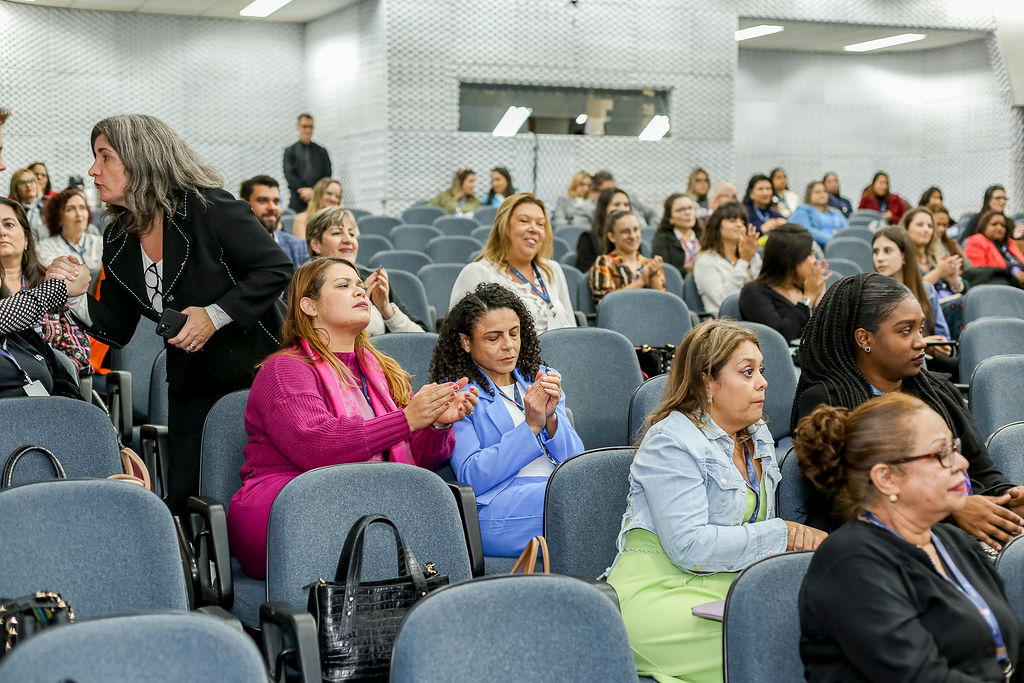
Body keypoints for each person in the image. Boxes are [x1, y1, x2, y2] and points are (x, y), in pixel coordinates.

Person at [68, 114, 293, 513]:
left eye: (105, 157)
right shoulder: (117, 237)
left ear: (140, 159)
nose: (93, 170)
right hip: (189, 381)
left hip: (256, 371)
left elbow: (275, 268)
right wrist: (74, 298)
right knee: (189, 496)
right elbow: (117, 327)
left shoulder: (210, 207)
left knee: (263, 489)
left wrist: (215, 315)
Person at [605, 320, 826, 683]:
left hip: (730, 585)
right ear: (707, 381)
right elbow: (689, 547)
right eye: (747, 372)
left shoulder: (757, 434)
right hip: (659, 593)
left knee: (818, 625)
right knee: (778, 644)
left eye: (762, 371)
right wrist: (783, 534)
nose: (762, 382)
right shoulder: (671, 441)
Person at [228, 257, 477, 578]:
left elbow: (417, 460)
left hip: (362, 495)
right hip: (291, 502)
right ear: (309, 306)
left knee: (425, 501)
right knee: (388, 519)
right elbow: (315, 446)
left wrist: (437, 423)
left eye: (360, 285)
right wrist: (406, 420)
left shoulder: (381, 369)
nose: (360, 291)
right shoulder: (285, 369)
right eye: (344, 285)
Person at [796, 393, 1022, 681]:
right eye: (941, 453)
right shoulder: (849, 563)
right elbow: (921, 677)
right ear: (887, 478)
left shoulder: (952, 540)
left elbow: (1013, 646)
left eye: (955, 448)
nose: (963, 463)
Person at [791, 273, 1024, 548]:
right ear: (864, 338)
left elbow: (982, 471)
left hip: (966, 538)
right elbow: (847, 502)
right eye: (905, 331)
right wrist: (952, 509)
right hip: (885, 548)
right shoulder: (828, 401)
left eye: (920, 329)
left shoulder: (937, 391)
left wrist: (1007, 498)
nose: (920, 342)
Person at [430, 282, 584, 556]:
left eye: (514, 333)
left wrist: (551, 420)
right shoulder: (458, 396)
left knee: (597, 490)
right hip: (499, 510)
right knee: (587, 503)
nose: (509, 345)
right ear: (466, 342)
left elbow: (576, 463)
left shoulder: (540, 378)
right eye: (493, 338)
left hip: (557, 491)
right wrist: (531, 427)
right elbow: (472, 476)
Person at [450, 193, 575, 334]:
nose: (534, 229)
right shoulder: (477, 273)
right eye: (524, 221)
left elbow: (572, 328)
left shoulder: (552, 270)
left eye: (540, 224)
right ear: (504, 226)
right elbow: (455, 337)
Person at [1, 197, 92, 373]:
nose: (1, 232)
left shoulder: (51, 280)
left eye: (9, 224)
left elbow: (80, 349)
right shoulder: (54, 289)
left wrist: (51, 372)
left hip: (54, 382)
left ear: (27, 239)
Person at [305, 206, 425, 335]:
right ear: (316, 244)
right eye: (337, 233)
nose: (348, 240)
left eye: (352, 234)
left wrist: (386, 309)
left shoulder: (374, 281)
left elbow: (421, 339)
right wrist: (359, 304)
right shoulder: (304, 283)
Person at [737, 224, 828, 342]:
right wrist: (808, 298)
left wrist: (821, 301)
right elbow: (779, 337)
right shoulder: (753, 292)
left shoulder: (804, 286)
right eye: (809, 254)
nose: (814, 261)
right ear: (790, 260)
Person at [871, 226, 952, 357]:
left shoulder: (927, 290)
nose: (879, 258)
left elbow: (944, 338)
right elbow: (874, 346)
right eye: (876, 251)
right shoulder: (869, 295)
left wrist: (942, 348)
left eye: (887, 251)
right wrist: (920, 343)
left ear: (904, 256)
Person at [692, 202, 761, 315]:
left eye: (742, 222)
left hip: (754, 315)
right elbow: (724, 301)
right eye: (732, 220)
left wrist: (752, 257)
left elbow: (764, 289)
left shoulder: (750, 255)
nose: (739, 225)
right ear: (717, 227)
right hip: (724, 321)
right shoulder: (705, 260)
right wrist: (744, 262)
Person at [588, 211, 665, 304]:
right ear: (612, 237)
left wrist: (653, 276)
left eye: (636, 230)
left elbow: (664, 305)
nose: (632, 236)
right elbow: (605, 304)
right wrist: (640, 282)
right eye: (625, 232)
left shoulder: (650, 264)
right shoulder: (605, 262)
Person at [38, 188, 103, 290]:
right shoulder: (46, 247)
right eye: (70, 209)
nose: (78, 214)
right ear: (58, 218)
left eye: (82, 208)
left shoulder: (101, 243)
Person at [239, 175, 309, 267]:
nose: (272, 207)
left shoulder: (299, 247)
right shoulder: (232, 246)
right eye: (263, 201)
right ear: (244, 204)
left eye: (276, 201)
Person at [900, 207, 964, 300]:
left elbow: (963, 289)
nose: (926, 229)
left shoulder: (938, 255)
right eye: (920, 225)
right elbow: (907, 295)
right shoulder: (901, 259)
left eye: (930, 226)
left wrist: (954, 281)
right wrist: (938, 273)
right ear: (906, 228)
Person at [282, 113, 332, 213]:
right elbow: (289, 175)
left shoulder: (322, 151)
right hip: (297, 200)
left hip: (318, 199)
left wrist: (314, 191)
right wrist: (303, 190)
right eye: (305, 126)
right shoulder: (290, 151)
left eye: (310, 127)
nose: (308, 130)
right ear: (298, 127)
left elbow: (327, 174)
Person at [574, 186, 631, 272]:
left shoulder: (632, 238)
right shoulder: (588, 238)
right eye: (616, 205)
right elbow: (585, 276)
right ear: (604, 209)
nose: (623, 209)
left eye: (626, 205)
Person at [964, 210, 1024, 286]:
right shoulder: (977, 241)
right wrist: (1012, 275)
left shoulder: (1009, 243)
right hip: (996, 285)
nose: (999, 228)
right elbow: (979, 273)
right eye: (994, 224)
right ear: (984, 226)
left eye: (1003, 225)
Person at [788, 181, 848, 246]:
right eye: (818, 192)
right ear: (809, 195)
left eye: (825, 191)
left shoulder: (835, 211)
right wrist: (834, 240)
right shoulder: (802, 210)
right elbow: (805, 231)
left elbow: (847, 229)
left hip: (841, 244)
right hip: (818, 247)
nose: (822, 195)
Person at [651, 193, 700, 273]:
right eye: (680, 210)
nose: (688, 213)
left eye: (690, 208)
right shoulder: (662, 240)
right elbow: (667, 272)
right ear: (670, 218)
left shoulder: (704, 236)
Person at [8, 167, 46, 244]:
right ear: (15, 188)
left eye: (31, 181)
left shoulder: (49, 206)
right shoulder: (11, 211)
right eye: (22, 182)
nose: (28, 185)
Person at [932, 204, 970, 269]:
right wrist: (952, 265)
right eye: (937, 224)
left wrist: (953, 265)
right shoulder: (925, 245)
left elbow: (967, 265)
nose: (942, 229)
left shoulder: (951, 243)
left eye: (944, 225)